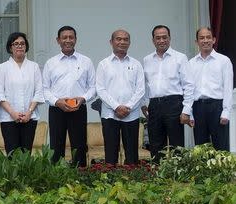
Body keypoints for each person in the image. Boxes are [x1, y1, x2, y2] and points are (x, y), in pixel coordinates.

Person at [42, 25, 96, 167]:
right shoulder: (50, 63)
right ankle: (56, 179)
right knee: (56, 146)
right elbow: (45, 89)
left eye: (71, 37)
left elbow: (93, 87)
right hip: (57, 109)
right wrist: (56, 101)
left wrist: (83, 98)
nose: (68, 40)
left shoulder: (86, 61)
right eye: (64, 37)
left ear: (76, 40)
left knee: (79, 146)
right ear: (58, 40)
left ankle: (81, 178)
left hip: (78, 108)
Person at [141, 25, 195, 162]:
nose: (161, 40)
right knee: (156, 144)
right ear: (153, 40)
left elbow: (189, 85)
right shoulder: (147, 60)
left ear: (169, 39)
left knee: (177, 145)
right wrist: (144, 103)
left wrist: (186, 110)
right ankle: (159, 175)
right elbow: (145, 85)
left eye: (164, 37)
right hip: (154, 106)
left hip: (174, 104)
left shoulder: (180, 58)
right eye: (158, 38)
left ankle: (178, 176)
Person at [96, 29, 145, 165]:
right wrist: (117, 107)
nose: (122, 42)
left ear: (129, 42)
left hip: (132, 115)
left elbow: (140, 89)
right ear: (111, 42)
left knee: (132, 154)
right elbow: (100, 89)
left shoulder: (136, 64)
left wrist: (127, 107)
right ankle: (110, 182)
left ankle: (133, 182)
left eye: (125, 39)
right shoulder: (103, 64)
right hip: (110, 115)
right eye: (118, 39)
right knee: (111, 154)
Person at [0, 32, 44, 155]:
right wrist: (13, 113)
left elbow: (38, 92)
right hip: (8, 119)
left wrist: (29, 112)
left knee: (26, 154)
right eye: (16, 44)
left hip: (29, 118)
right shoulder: (3, 67)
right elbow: (0, 94)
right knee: (12, 154)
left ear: (26, 46)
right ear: (10, 47)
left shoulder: (34, 67)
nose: (19, 46)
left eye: (22, 43)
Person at [189, 27, 233, 151]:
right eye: (201, 38)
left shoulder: (224, 61)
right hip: (198, 108)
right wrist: (190, 113)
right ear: (196, 42)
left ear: (214, 40)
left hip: (217, 107)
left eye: (208, 37)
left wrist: (226, 111)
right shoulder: (191, 63)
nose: (205, 40)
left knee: (221, 148)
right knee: (200, 149)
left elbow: (228, 88)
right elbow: (189, 90)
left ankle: (223, 171)